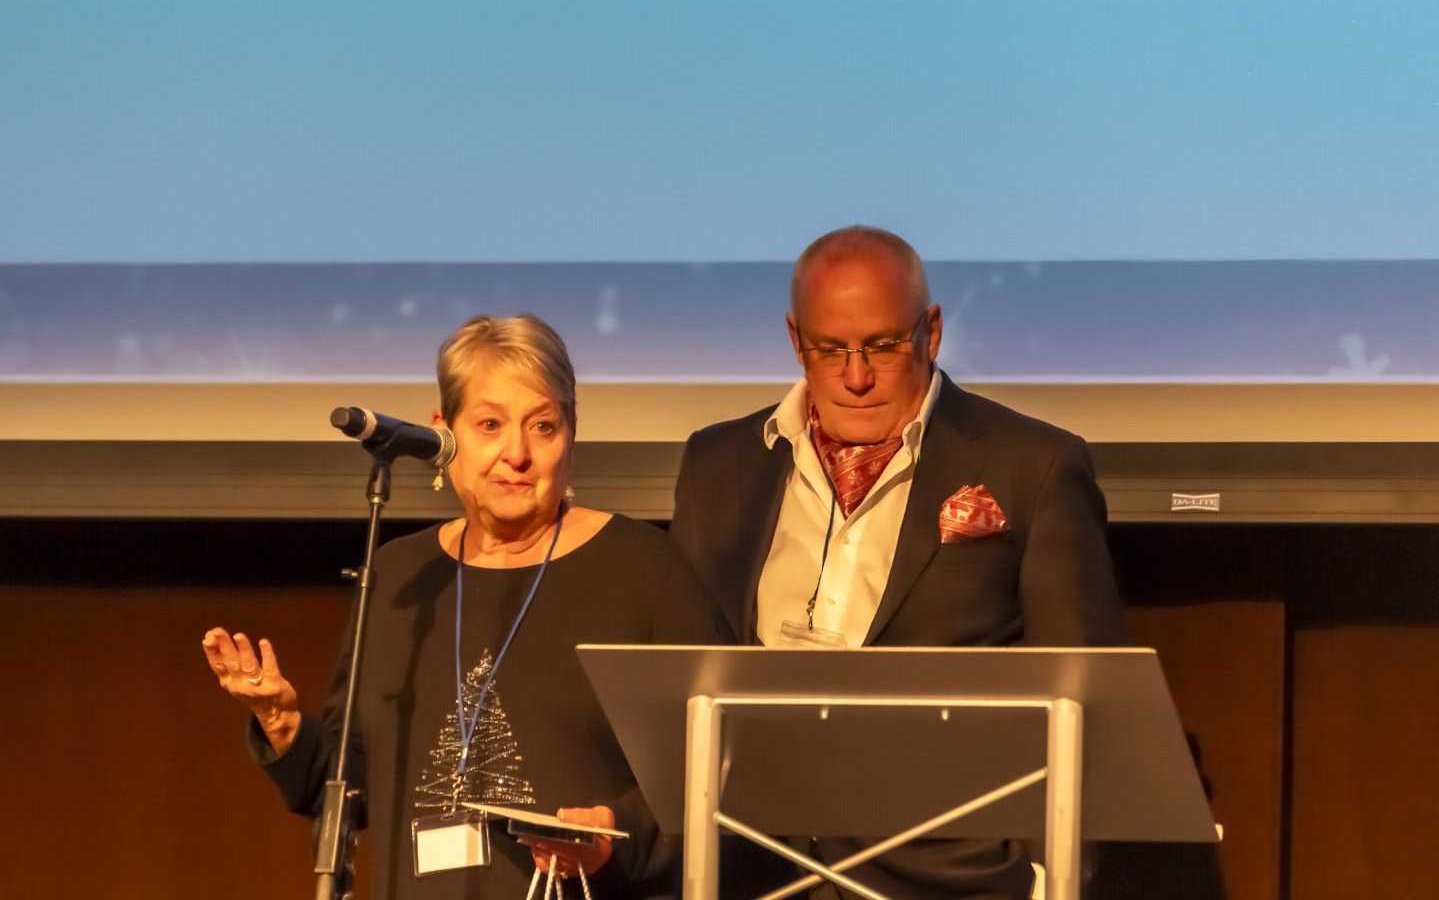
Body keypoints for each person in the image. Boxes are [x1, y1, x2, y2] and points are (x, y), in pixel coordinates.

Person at [669, 226, 1125, 900]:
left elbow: (1082, 693)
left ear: (930, 333)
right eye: (830, 351)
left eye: (882, 346)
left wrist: (1043, 877)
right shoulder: (718, 465)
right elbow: (680, 669)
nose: (856, 378)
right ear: (796, 341)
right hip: (750, 866)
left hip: (949, 876)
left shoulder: (1033, 466)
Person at [203, 314, 716, 900]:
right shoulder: (400, 576)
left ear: (571, 433)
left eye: (543, 426)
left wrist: (615, 837)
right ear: (444, 433)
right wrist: (284, 723)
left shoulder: (643, 570)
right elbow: (351, 787)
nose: (516, 453)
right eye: (490, 424)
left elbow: (716, 772)